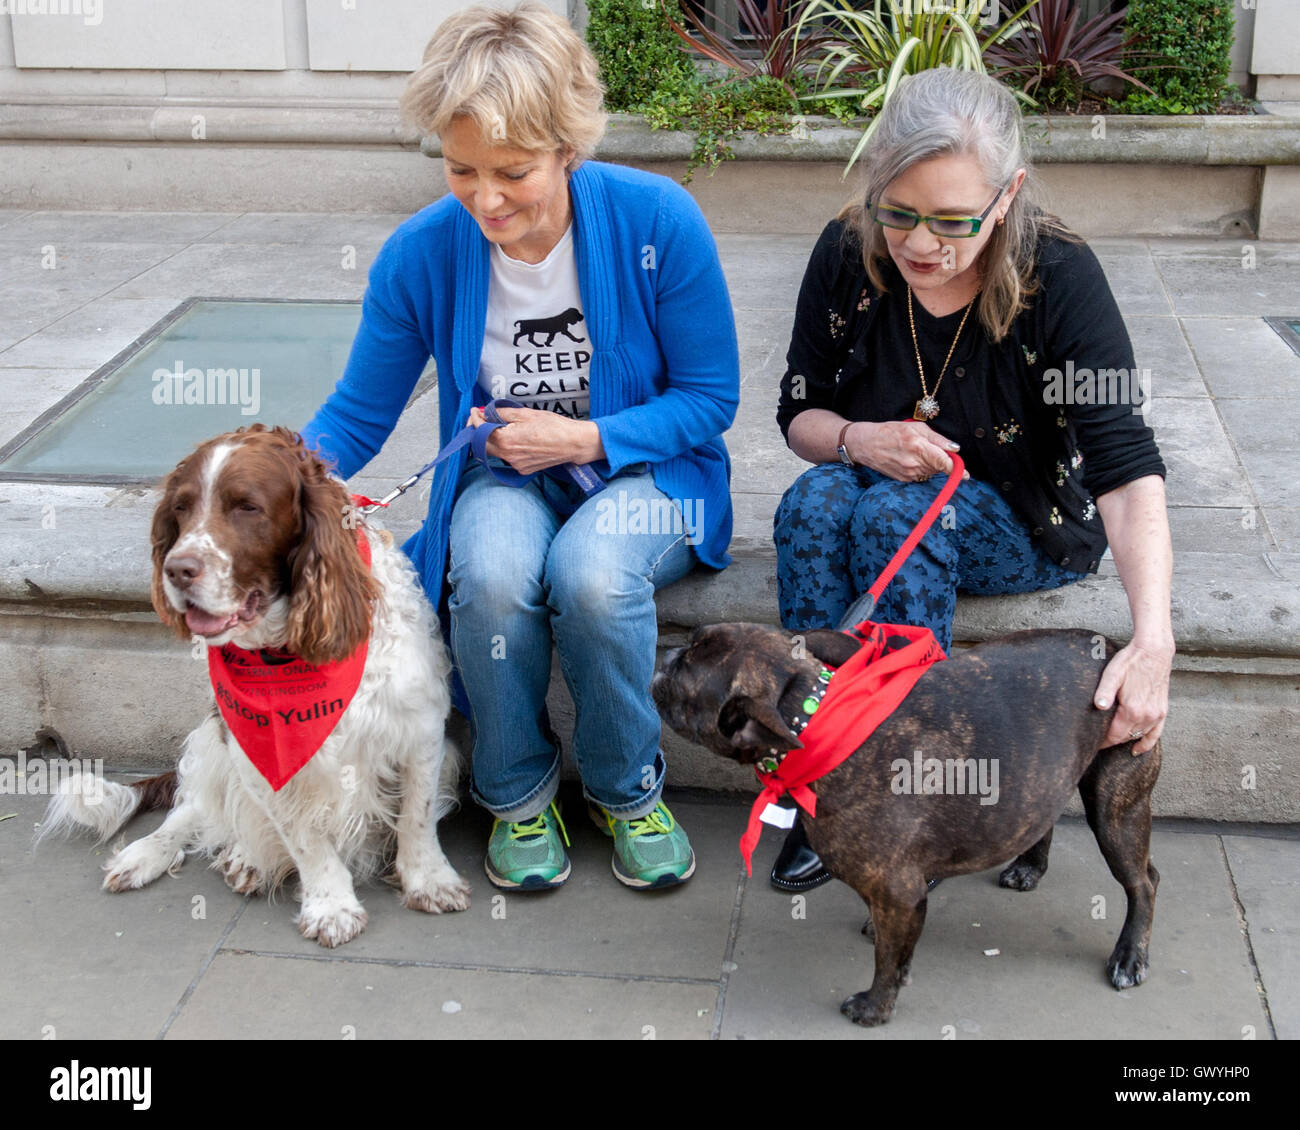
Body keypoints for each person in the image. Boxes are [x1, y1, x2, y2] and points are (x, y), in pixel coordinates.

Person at [301, 3, 739, 893]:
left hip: (651, 472)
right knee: (493, 573)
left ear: (569, 147)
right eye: (461, 170)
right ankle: (516, 793)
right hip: (503, 476)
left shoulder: (659, 220)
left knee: (589, 573)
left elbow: (710, 399)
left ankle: (625, 789)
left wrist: (584, 435)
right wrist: (262, 486)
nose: (486, 199)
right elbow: (354, 417)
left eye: (514, 172)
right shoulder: (420, 254)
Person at [770, 67, 1174, 890]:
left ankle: (913, 793)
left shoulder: (1059, 277)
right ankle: (821, 777)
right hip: (874, 483)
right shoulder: (848, 252)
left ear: (1008, 193)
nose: (920, 244)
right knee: (813, 502)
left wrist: (1155, 638)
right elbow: (799, 417)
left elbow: (1126, 469)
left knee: (897, 516)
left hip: (1029, 524)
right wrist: (857, 437)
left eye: (954, 220)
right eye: (900, 212)